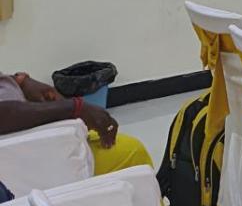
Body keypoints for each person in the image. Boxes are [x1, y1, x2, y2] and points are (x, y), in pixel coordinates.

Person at [0, 71, 153, 176]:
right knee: (132, 152)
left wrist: (19, 81)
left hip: (22, 128)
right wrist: (74, 108)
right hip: (17, 156)